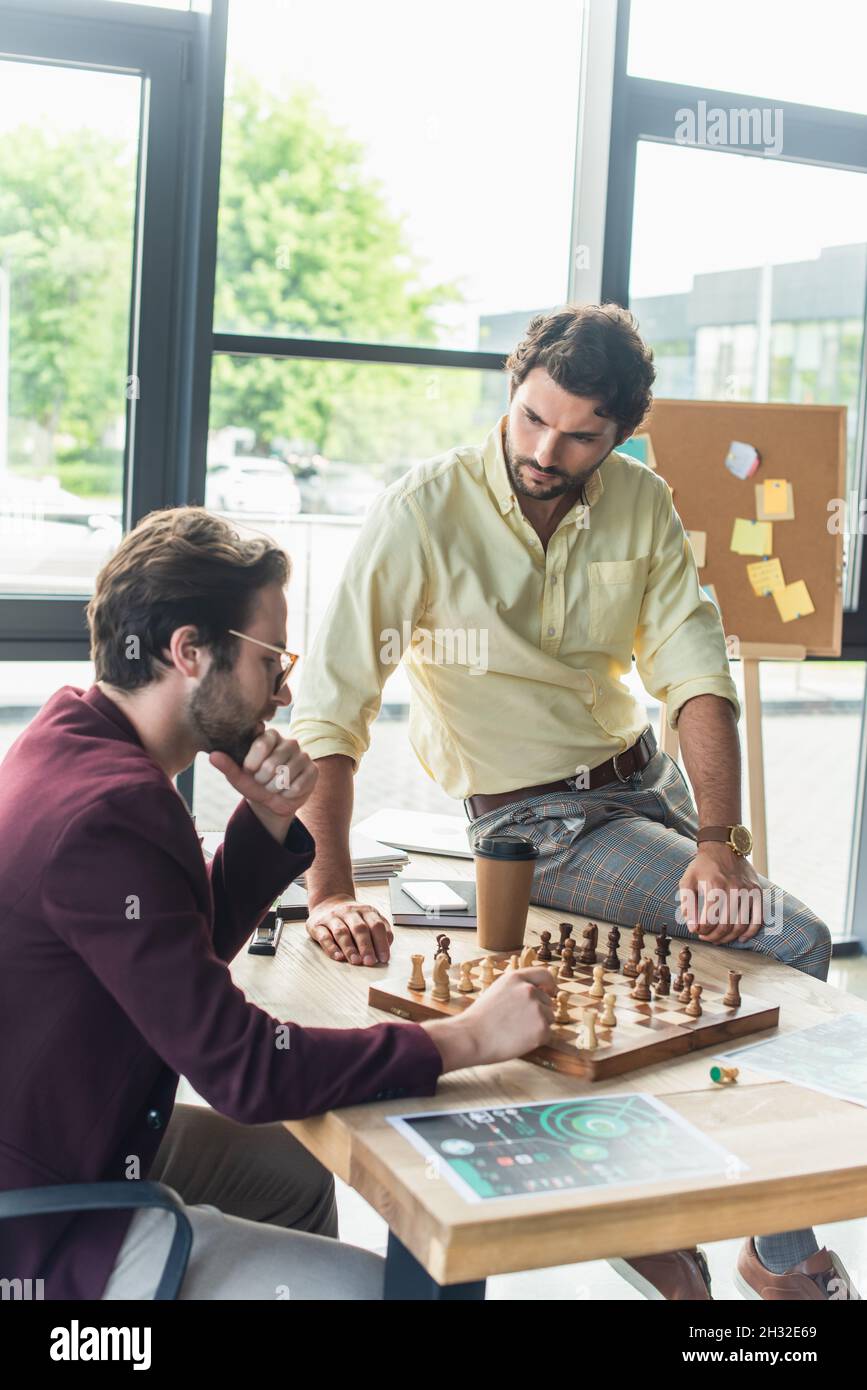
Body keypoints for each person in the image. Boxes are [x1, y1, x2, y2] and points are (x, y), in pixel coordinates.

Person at [290, 303, 854, 1301]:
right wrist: (330, 885)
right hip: (530, 824)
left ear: (620, 433)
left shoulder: (641, 500)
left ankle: (672, 1201)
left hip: (643, 783)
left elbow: (695, 677)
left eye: (579, 434)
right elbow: (333, 709)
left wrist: (719, 839)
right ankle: (770, 1251)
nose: (545, 450)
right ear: (512, 392)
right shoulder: (422, 511)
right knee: (793, 937)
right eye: (531, 418)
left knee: (717, 943)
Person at [0, 507, 556, 1300]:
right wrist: (465, 1038)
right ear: (189, 651)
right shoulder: (109, 813)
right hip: (36, 1221)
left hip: (68, 1135)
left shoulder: (70, 735)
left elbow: (172, 961)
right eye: (270, 659)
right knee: (392, 1292)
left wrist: (263, 819)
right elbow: (244, 1071)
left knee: (295, 1173)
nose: (285, 688)